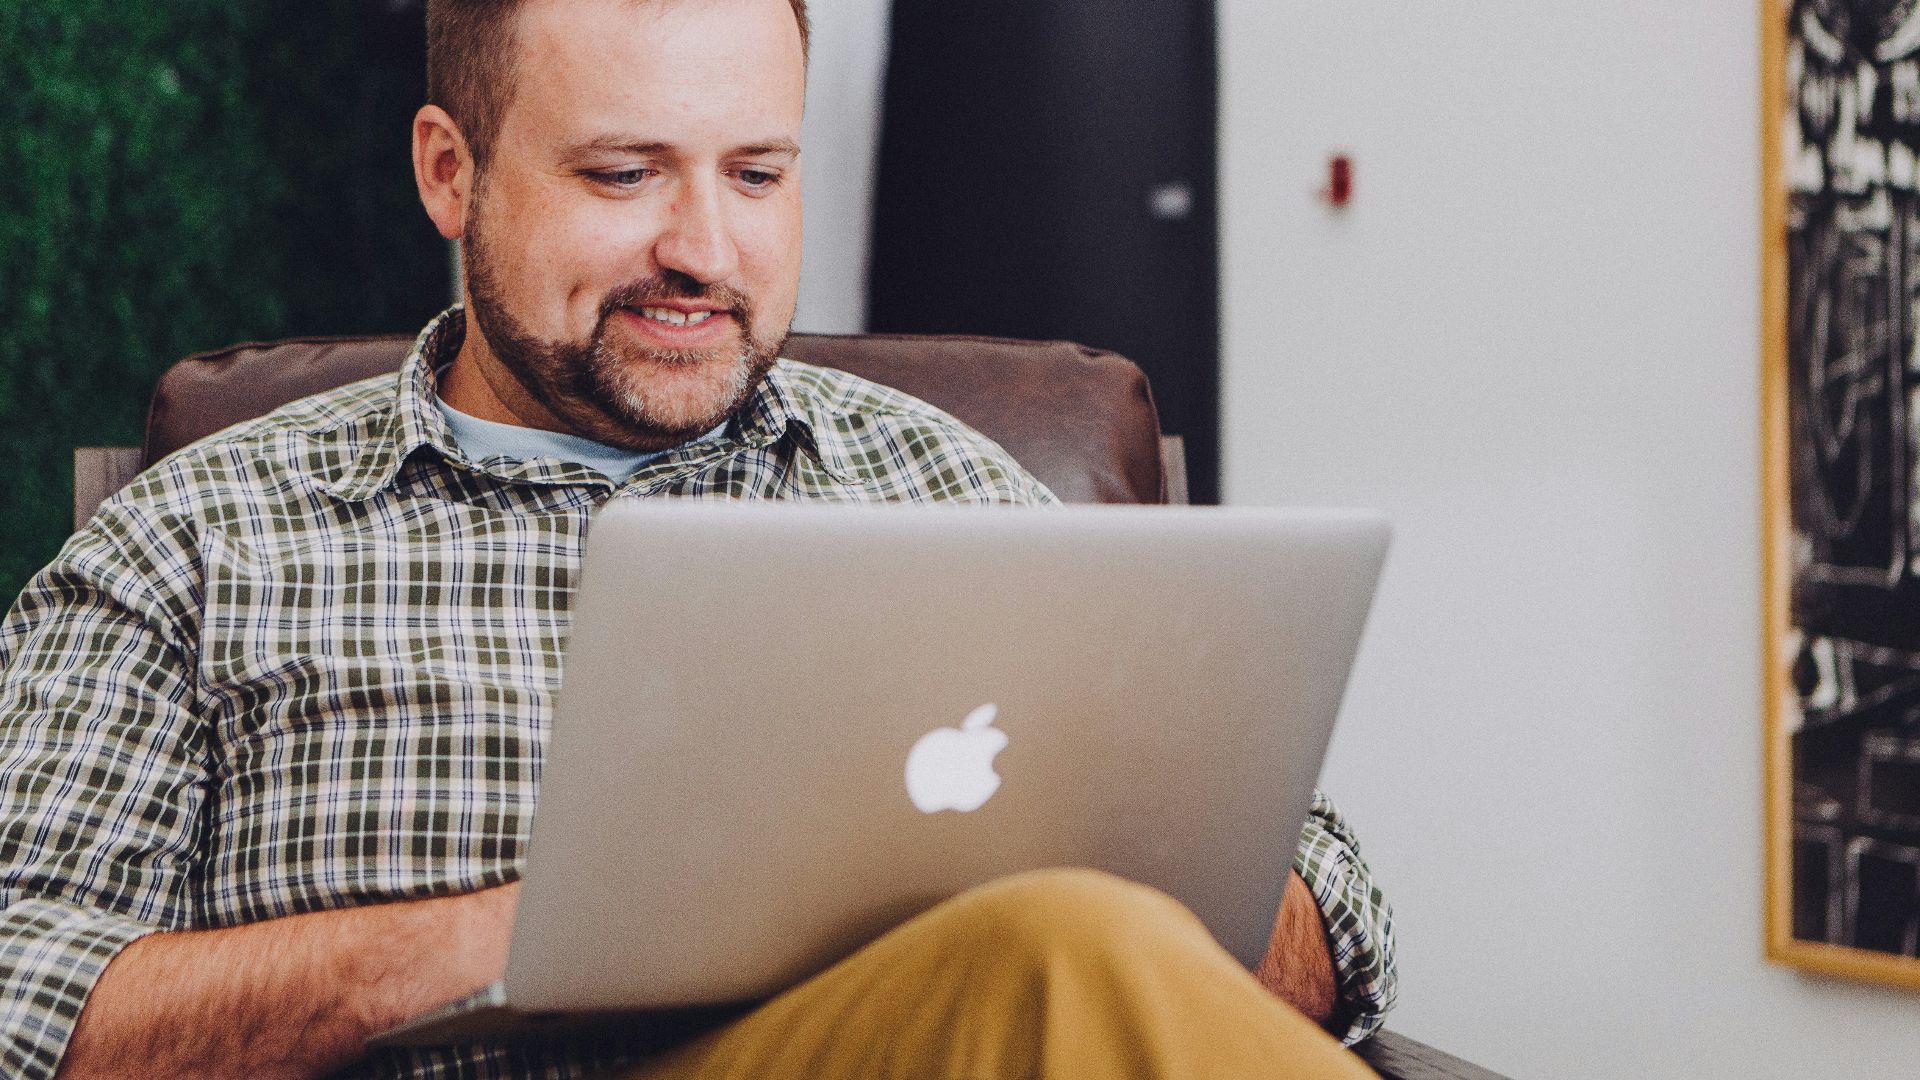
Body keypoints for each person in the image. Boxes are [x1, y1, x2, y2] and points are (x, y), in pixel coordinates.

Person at [0, 0, 1396, 1077]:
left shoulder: (942, 488)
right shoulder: (198, 540)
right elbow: (22, 994)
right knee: (1066, 953)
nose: (706, 249)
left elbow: (1326, 902)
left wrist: (938, 903)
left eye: (758, 174)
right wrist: (520, 940)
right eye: (623, 174)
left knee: (1072, 949)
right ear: (450, 173)